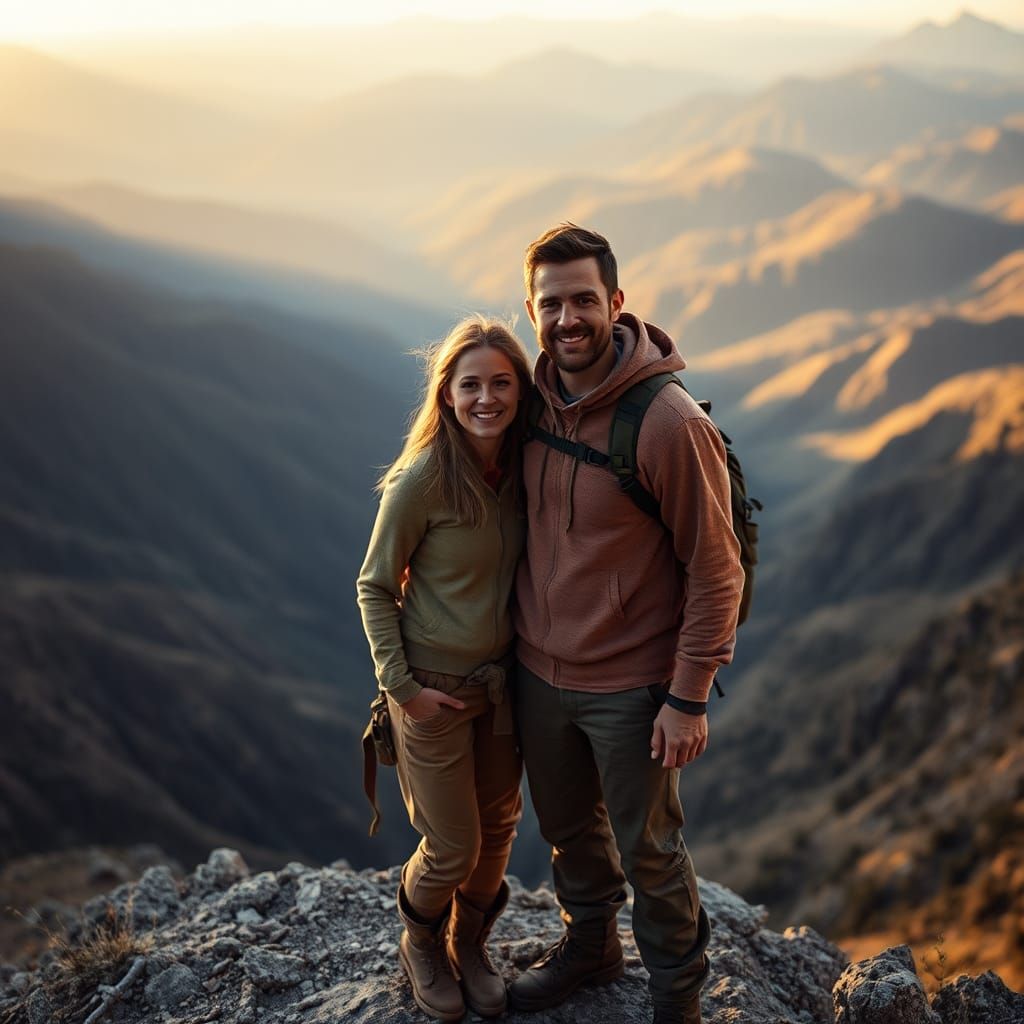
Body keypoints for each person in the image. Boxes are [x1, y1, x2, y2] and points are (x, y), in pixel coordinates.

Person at [508, 224, 745, 1024]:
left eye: (583, 299)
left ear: (615, 302)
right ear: (531, 310)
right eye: (551, 304)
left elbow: (716, 568)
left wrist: (687, 696)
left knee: (651, 851)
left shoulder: (667, 423)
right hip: (538, 672)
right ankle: (591, 948)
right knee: (570, 832)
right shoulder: (528, 397)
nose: (568, 318)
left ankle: (678, 1001)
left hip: (633, 688)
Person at [356, 315, 531, 1021]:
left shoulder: (526, 467)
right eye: (470, 385)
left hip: (501, 689)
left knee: (497, 837)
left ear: (520, 390)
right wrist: (403, 688)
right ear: (447, 394)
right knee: (453, 846)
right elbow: (373, 584)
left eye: (501, 382)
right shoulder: (422, 478)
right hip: (431, 689)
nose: (486, 397)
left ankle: (469, 945)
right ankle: (420, 943)